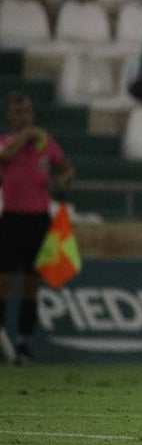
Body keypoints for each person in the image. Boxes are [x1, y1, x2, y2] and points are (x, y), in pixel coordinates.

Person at [0, 92, 74, 364]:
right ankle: (3, 341)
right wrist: (27, 133)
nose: (24, 116)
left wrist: (62, 179)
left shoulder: (45, 144)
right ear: (10, 115)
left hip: (38, 220)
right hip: (10, 219)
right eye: (18, 111)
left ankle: (23, 344)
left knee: (32, 285)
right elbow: (5, 156)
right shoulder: (7, 141)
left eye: (28, 111)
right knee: (4, 284)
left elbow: (66, 167)